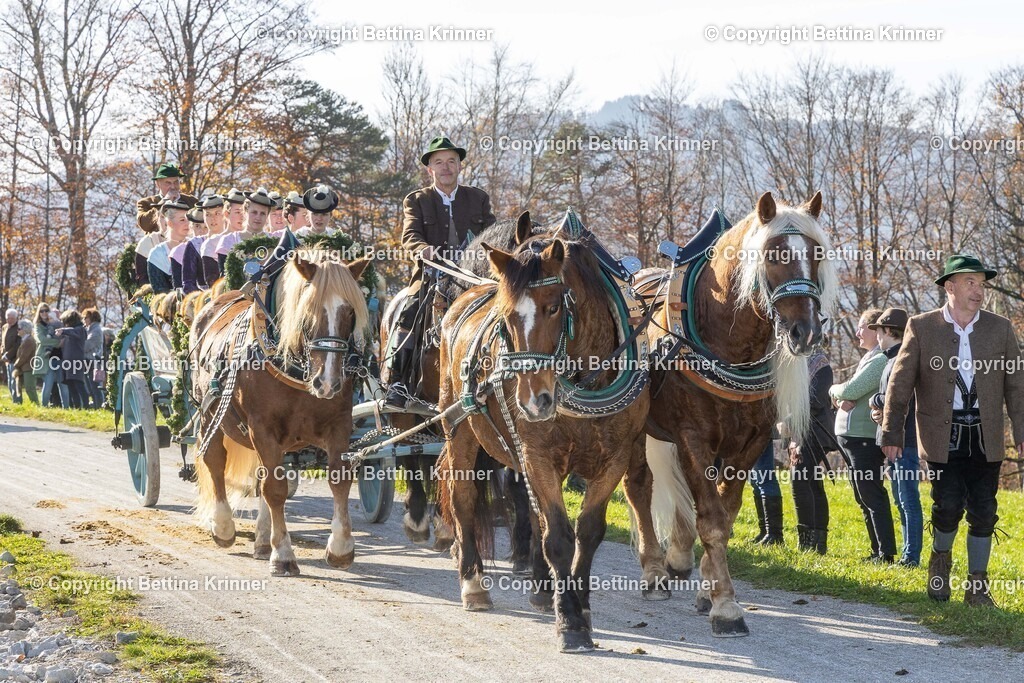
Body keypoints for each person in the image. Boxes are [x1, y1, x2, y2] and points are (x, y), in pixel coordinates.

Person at [882, 255, 1024, 607]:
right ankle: (939, 567)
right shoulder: (921, 326)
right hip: (941, 436)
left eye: (982, 284)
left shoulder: (1000, 328)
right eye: (971, 283)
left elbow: (1017, 386)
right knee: (945, 506)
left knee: (984, 509)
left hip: (985, 435)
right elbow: (900, 384)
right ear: (950, 287)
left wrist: (1022, 433)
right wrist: (891, 432)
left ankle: (977, 586)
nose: (979, 291)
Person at [383, 136, 496, 407]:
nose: (446, 167)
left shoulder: (478, 198)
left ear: (459, 166)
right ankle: (397, 381)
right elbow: (410, 235)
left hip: (474, 277)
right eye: (439, 162)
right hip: (432, 274)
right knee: (410, 307)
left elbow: (492, 234)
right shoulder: (417, 200)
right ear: (429, 169)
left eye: (451, 162)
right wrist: (423, 249)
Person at [830, 308, 897, 564]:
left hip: (863, 440)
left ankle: (886, 553)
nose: (857, 332)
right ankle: (877, 550)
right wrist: (842, 395)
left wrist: (833, 389)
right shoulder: (869, 357)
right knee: (862, 496)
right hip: (852, 439)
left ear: (875, 329)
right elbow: (847, 393)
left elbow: (851, 389)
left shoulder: (879, 359)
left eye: (861, 327)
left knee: (871, 494)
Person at [869, 308, 923, 567]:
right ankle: (906, 553)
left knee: (908, 499)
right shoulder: (889, 358)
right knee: (900, 499)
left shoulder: (904, 357)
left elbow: (899, 398)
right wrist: (876, 412)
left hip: (905, 441)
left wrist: (875, 400)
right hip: (892, 439)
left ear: (888, 331)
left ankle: (911, 556)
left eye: (878, 331)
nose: (876, 336)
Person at [789, 350, 839, 554]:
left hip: (816, 431)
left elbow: (816, 401)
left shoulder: (820, 364)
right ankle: (818, 543)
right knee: (812, 483)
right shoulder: (800, 365)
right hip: (803, 430)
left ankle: (808, 543)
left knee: (799, 480)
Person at [135, 163, 197, 285]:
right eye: (168, 183)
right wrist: (163, 202)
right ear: (158, 184)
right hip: (156, 251)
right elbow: (144, 225)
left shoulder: (191, 201)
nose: (173, 186)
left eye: (176, 182)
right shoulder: (146, 203)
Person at [215, 188, 273, 272]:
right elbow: (224, 276)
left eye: (263, 213)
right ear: (245, 211)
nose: (258, 217)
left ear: (267, 216)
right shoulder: (228, 240)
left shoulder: (274, 242)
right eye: (254, 212)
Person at [148, 200, 192, 293]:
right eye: (182, 220)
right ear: (170, 223)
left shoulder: (196, 246)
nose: (187, 223)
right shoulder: (157, 254)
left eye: (188, 219)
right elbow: (160, 292)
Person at [748, 440, 783, 545]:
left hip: (757, 431)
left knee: (764, 477)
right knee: (756, 481)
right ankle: (765, 531)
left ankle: (774, 534)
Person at [55, 310, 87, 409]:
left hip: (76, 362)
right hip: (68, 363)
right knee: (71, 385)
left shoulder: (80, 329)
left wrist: (63, 331)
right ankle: (77, 407)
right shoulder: (72, 330)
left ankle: (86, 407)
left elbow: (73, 332)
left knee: (79, 385)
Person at [32, 304, 62, 407]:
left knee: (60, 384)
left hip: (57, 357)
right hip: (45, 357)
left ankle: (62, 406)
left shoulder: (54, 323)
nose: (44, 313)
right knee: (48, 383)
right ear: (39, 313)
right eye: (42, 311)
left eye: (46, 310)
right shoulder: (37, 326)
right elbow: (42, 340)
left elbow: (63, 336)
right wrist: (58, 343)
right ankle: (44, 406)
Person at [201, 192, 234, 286]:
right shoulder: (199, 244)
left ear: (225, 214)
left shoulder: (234, 239)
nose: (212, 218)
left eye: (217, 213)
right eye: (208, 214)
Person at [82, 308, 105, 408]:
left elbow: (86, 346)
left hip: (93, 362)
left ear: (91, 318)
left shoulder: (95, 331)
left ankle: (99, 406)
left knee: (95, 386)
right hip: (90, 362)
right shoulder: (91, 329)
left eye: (85, 318)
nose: (84, 320)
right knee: (90, 386)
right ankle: (96, 405)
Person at [13, 320, 38, 405]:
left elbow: (24, 356)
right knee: (20, 388)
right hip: (24, 368)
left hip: (28, 368)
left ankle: (36, 405)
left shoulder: (29, 340)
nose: (17, 330)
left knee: (30, 388)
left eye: (19, 329)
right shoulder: (25, 339)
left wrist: (16, 364)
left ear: (25, 329)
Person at [2, 308, 21, 403]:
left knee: (14, 382)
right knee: (9, 382)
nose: (10, 320)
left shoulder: (19, 328)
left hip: (15, 359)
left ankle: (18, 401)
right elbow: (3, 343)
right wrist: (3, 354)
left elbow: (17, 344)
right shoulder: (5, 327)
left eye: (12, 318)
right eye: (8, 318)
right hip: (7, 360)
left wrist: (8, 356)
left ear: (16, 318)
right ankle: (14, 400)